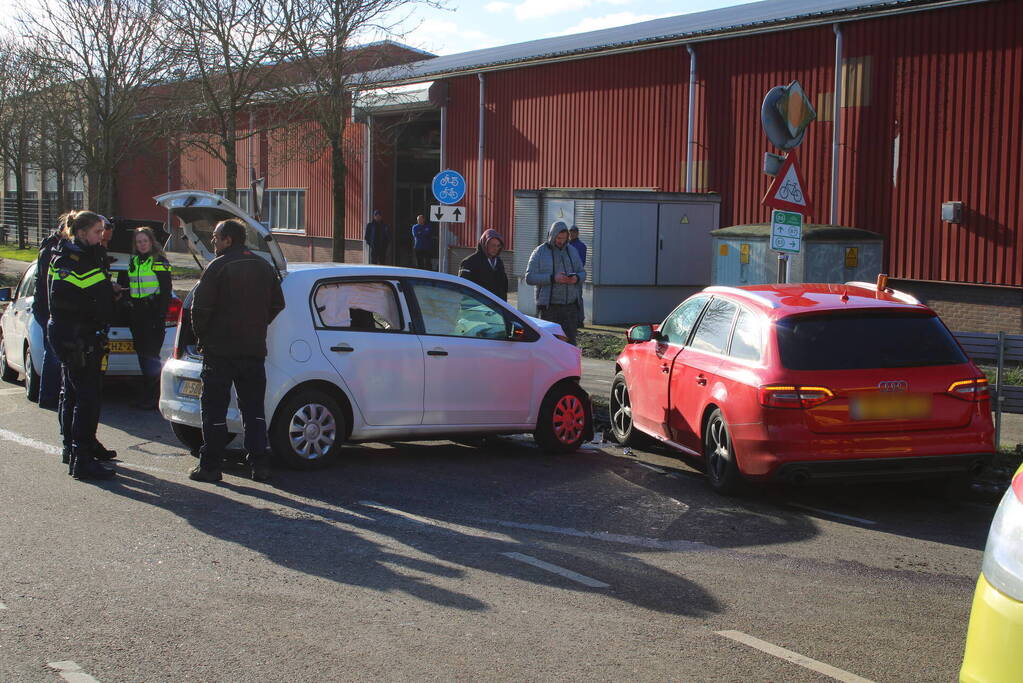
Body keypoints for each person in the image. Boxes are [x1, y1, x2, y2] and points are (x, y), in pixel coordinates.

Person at [189, 219, 285, 483]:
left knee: (214, 409)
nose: (213, 241)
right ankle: (259, 464)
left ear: (228, 239)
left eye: (216, 237)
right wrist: (256, 325)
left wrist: (203, 337)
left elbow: (200, 309)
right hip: (253, 350)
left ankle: (210, 466)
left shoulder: (217, 267)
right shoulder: (263, 266)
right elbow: (278, 303)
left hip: (220, 351)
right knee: (254, 410)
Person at [47, 210, 117, 480]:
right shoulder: (77, 260)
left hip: (72, 333)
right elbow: (97, 298)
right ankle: (82, 459)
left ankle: (74, 451)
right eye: (97, 232)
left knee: (75, 395)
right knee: (87, 399)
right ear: (81, 232)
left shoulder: (70, 254)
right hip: (77, 336)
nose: (102, 237)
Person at [116, 227, 172, 410]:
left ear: (151, 242)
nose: (141, 245)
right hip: (137, 314)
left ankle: (154, 396)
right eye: (138, 242)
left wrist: (160, 316)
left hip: (153, 312)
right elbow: (128, 286)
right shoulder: (133, 261)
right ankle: (148, 395)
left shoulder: (159, 261)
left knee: (151, 356)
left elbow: (166, 291)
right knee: (142, 355)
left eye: (144, 241)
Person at [524, 221, 586, 345]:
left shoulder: (572, 251)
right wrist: (552, 278)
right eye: (558, 238)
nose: (561, 241)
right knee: (550, 345)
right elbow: (529, 277)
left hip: (570, 308)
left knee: (570, 345)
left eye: (564, 238)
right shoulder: (540, 252)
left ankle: (569, 365)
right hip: (549, 308)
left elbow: (582, 273)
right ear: (552, 235)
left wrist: (576, 278)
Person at [33, 228, 68, 409]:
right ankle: (48, 397)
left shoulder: (50, 247)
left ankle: (48, 395)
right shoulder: (51, 251)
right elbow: (49, 286)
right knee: (53, 352)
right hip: (47, 309)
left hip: (46, 308)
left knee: (52, 351)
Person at [458, 228, 508, 301]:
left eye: (498, 246)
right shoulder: (469, 262)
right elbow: (463, 287)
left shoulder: (499, 262)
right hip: (476, 306)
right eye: (492, 245)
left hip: (496, 307)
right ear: (485, 244)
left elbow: (503, 287)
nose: (495, 248)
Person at [567, 225, 587, 328]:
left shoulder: (581, 246)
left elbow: (581, 262)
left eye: (574, 232)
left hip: (576, 276)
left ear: (577, 233)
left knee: (578, 298)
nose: (572, 234)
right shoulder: (566, 245)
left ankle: (580, 320)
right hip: (567, 277)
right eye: (570, 232)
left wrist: (575, 274)